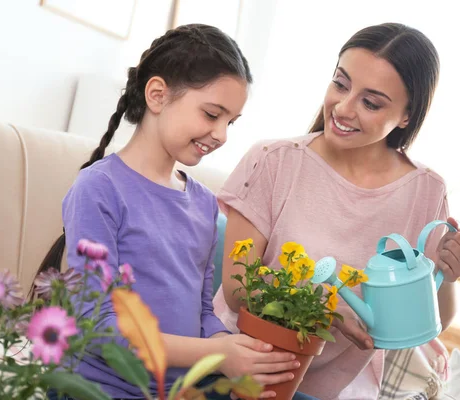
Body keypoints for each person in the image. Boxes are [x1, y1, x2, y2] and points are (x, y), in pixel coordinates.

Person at [36, 23, 322, 400]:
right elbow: (100, 328)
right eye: (211, 114)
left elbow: (203, 312)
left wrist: (235, 353)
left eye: (230, 122)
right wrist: (218, 353)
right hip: (102, 388)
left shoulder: (203, 202)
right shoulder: (99, 189)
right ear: (157, 95)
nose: (221, 134)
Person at [214, 22, 460, 400]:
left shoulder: (426, 190)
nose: (343, 107)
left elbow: (431, 321)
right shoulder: (273, 160)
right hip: (241, 368)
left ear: (406, 116)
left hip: (337, 390)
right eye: (340, 83)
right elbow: (238, 290)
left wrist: (449, 275)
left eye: (370, 102)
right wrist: (328, 304)